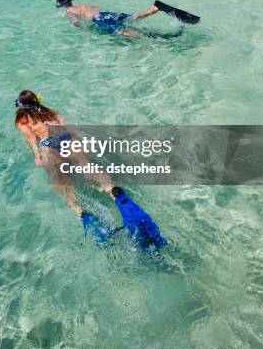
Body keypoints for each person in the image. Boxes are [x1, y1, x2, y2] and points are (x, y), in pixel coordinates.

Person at [15, 90, 167, 248]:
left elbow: (31, 138)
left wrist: (37, 155)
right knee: (87, 168)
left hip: (50, 146)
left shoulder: (22, 120)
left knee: (64, 184)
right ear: (37, 101)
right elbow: (66, 128)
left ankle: (81, 212)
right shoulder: (50, 112)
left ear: (20, 105)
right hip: (68, 140)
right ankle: (114, 192)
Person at [55, 0, 162, 37]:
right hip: (105, 14)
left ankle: (147, 37)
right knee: (132, 17)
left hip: (99, 19)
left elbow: (75, 22)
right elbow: (97, 8)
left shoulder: (69, 11)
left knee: (121, 32)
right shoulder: (82, 5)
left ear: (63, 5)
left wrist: (85, 31)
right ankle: (154, 9)